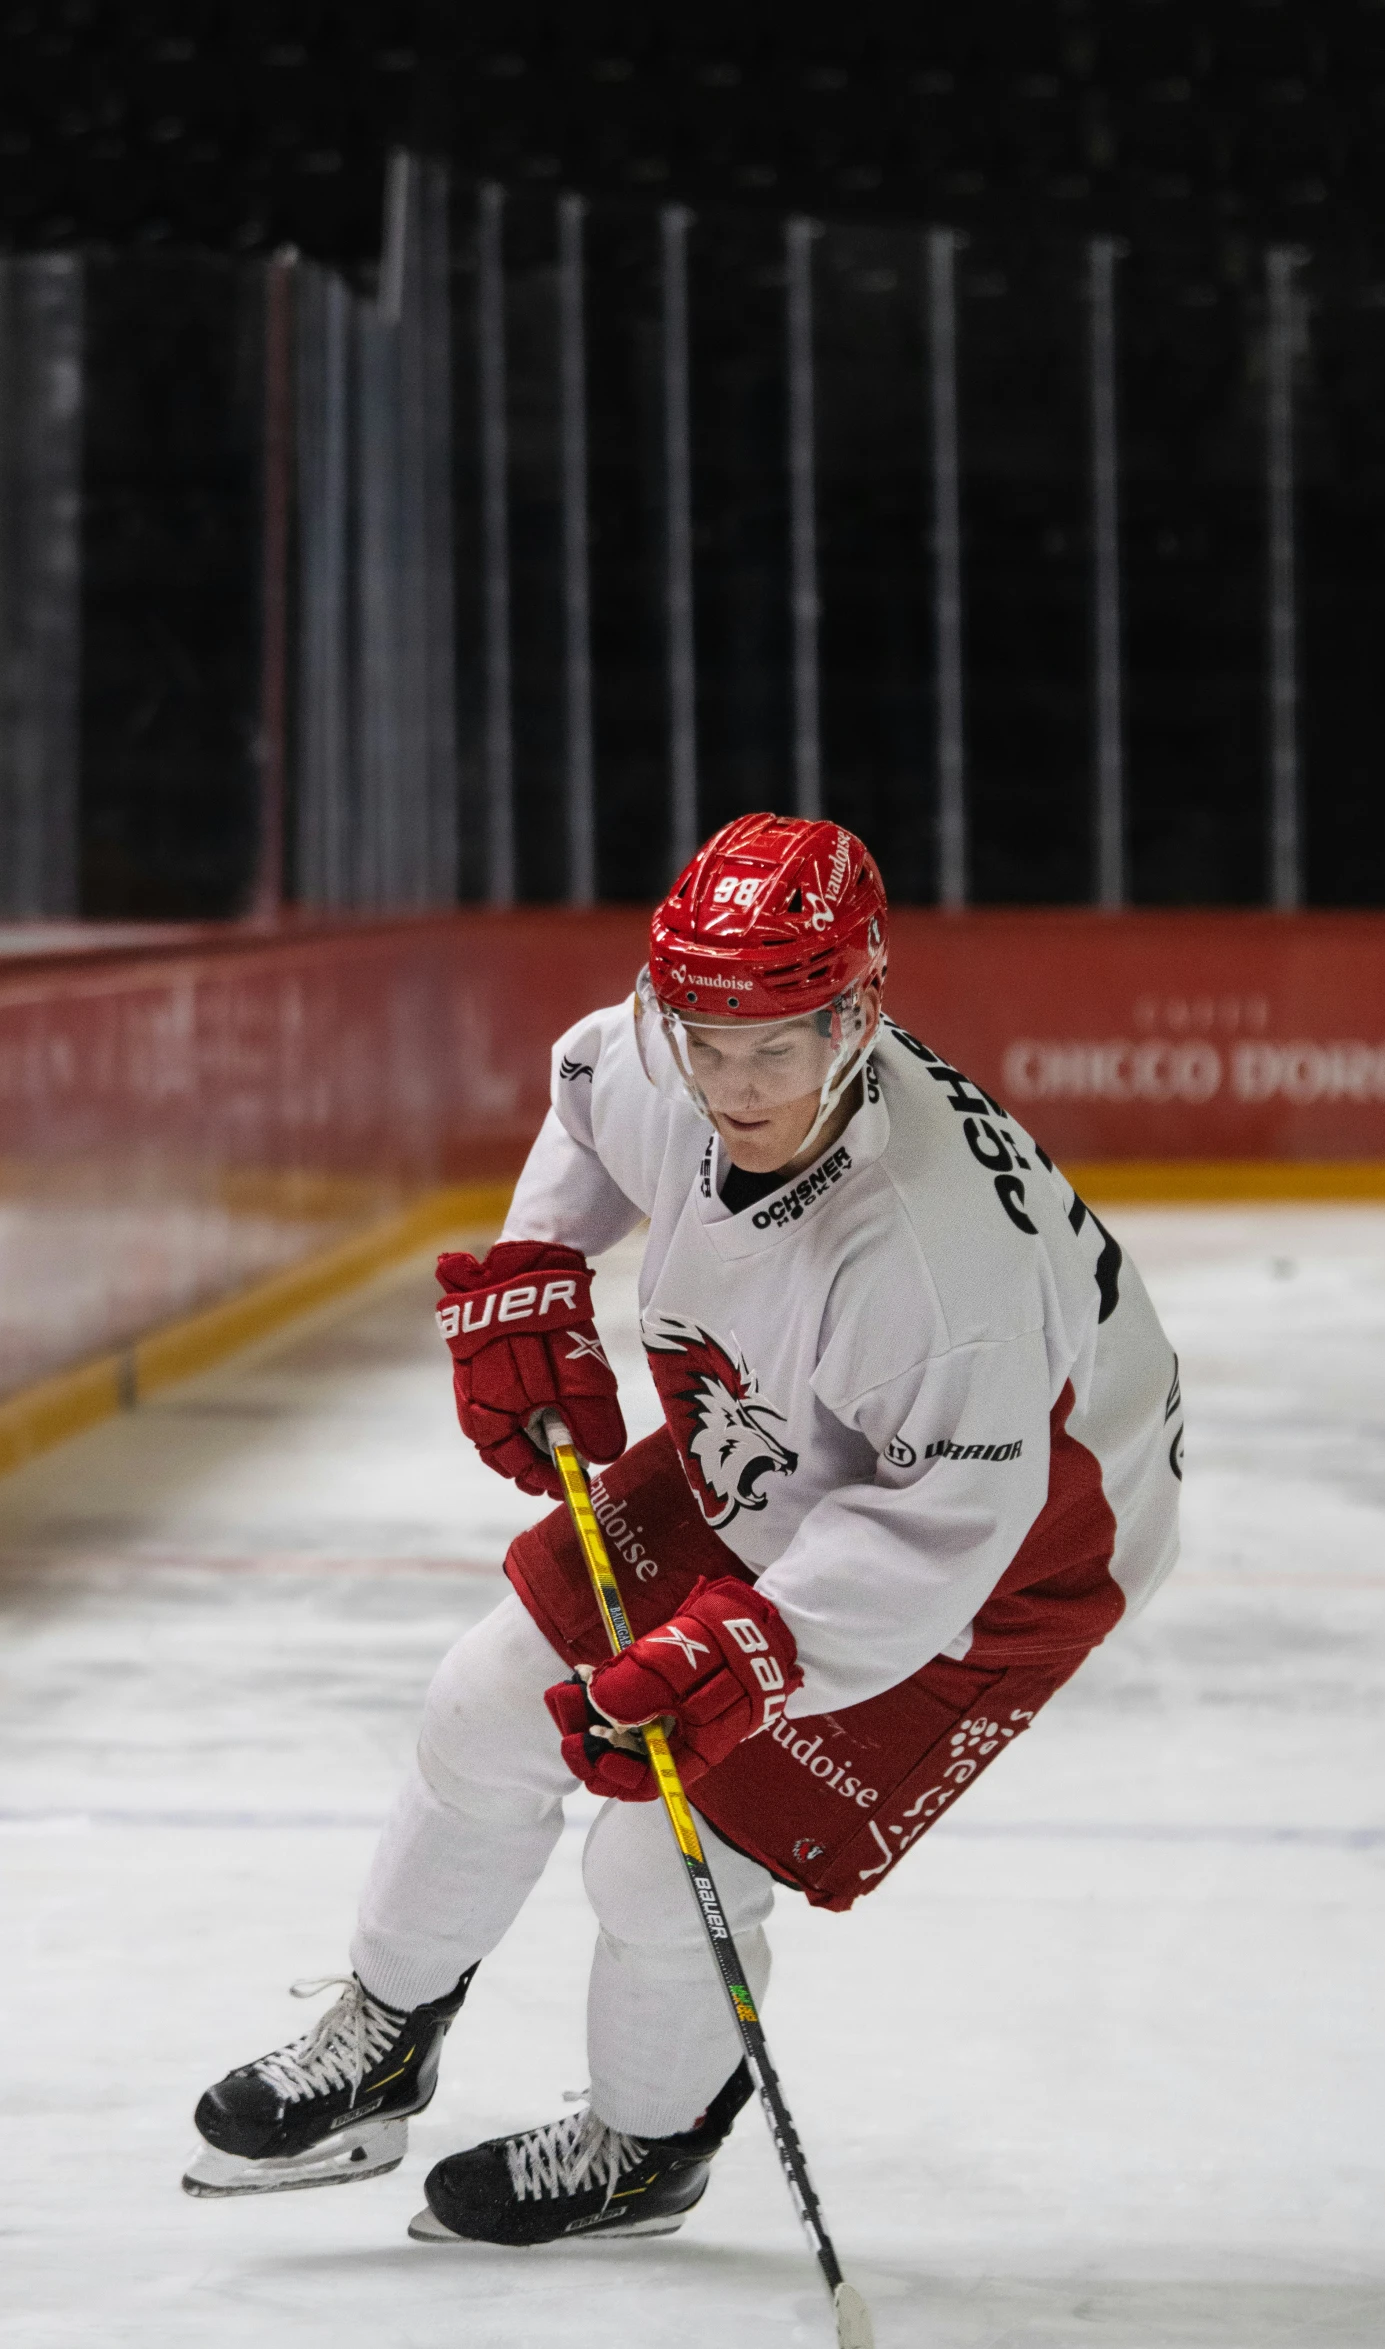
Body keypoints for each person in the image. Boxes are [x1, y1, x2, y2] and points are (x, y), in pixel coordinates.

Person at [183, 811, 1183, 2245]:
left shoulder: (933, 1267)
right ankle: (385, 2035)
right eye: (706, 1043)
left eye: (775, 1050)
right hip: (790, 1445)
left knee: (664, 1858)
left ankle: (647, 2145)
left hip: (1008, 1554)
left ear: (861, 1014)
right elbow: (588, 1105)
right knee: (483, 1708)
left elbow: (946, 1524)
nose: (732, 1085)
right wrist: (535, 1265)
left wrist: (753, 1655)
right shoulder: (671, 1042)